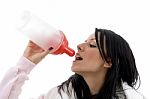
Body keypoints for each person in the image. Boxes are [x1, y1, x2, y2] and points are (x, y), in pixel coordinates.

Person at [0, 28, 145, 99]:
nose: (80, 46)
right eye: (85, 41)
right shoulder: (58, 95)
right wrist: (26, 62)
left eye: (92, 45)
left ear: (108, 61)